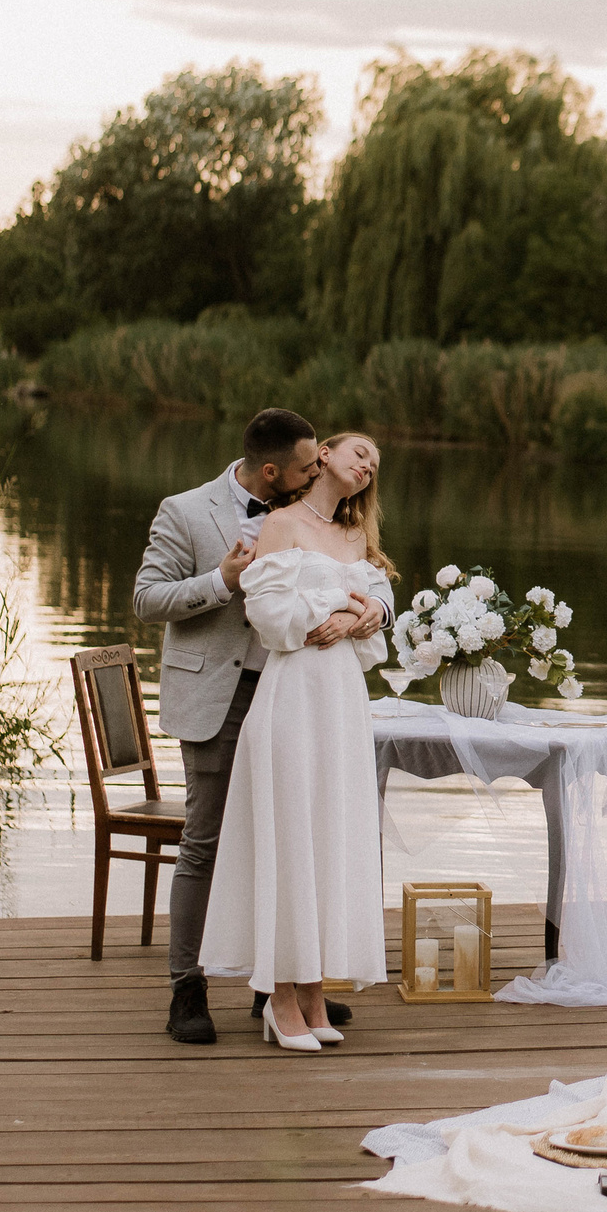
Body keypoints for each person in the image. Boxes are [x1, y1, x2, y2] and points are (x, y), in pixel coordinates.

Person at [134, 408, 370, 1045]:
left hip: (285, 694)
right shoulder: (185, 511)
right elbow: (146, 599)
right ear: (272, 471)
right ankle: (188, 986)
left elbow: (359, 570)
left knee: (289, 833)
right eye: (304, 465)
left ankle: (277, 983)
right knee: (205, 841)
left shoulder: (306, 515)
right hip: (216, 696)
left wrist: (366, 610)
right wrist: (221, 579)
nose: (317, 468)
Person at [199, 431, 395, 1050]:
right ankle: (279, 998)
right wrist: (337, 611)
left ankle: (314, 993)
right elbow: (270, 615)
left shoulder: (356, 538)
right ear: (326, 456)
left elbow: (375, 629)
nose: (367, 466)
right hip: (292, 694)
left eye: (376, 464)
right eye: (359, 452)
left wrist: (362, 617)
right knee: (287, 836)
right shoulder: (278, 524)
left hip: (340, 698)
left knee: (328, 838)